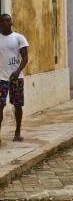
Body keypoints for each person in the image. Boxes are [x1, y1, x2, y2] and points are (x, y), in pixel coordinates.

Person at [0, 13, 29, 144]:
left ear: (11, 23)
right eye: (3, 21)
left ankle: (17, 133)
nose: (5, 23)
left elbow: (25, 58)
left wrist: (17, 72)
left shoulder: (19, 38)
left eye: (7, 21)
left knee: (17, 105)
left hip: (16, 78)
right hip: (1, 79)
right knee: (0, 106)